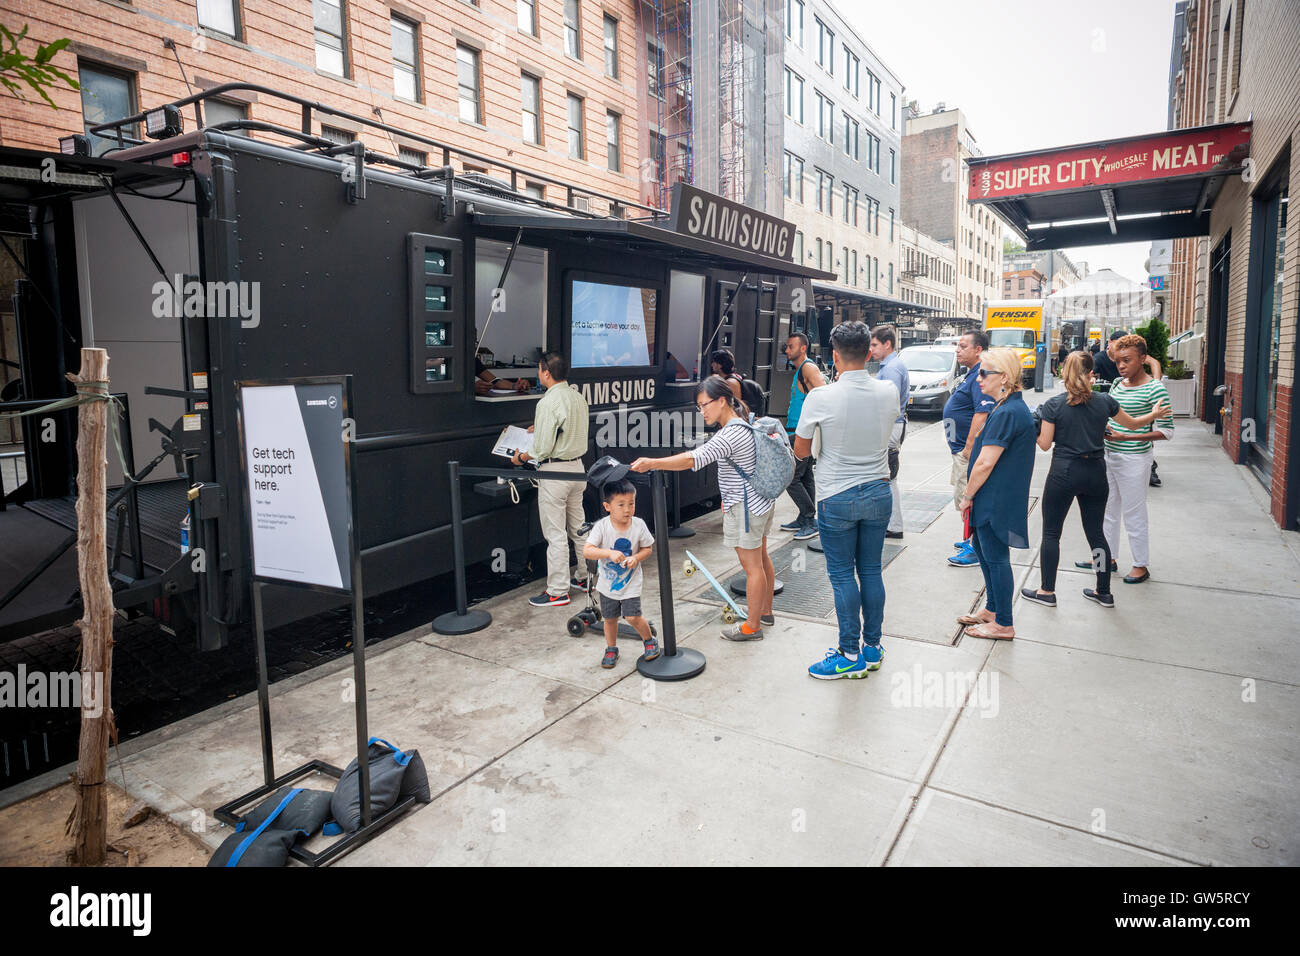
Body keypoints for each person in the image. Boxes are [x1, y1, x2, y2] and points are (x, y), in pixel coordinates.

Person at [630, 376, 775, 640]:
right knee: (762, 558)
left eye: (704, 404)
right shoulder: (745, 422)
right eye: (699, 407)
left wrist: (653, 462)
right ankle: (764, 612)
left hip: (746, 507)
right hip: (761, 501)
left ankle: (752, 627)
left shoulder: (730, 432)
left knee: (752, 566)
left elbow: (693, 459)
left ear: (722, 400)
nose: (702, 411)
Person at [1024, 351, 1170, 610]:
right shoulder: (1105, 401)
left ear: (1063, 373)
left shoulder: (1054, 405)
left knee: (1050, 533)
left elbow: (1045, 445)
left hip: (1064, 472)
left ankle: (1047, 590)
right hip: (1095, 472)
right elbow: (1134, 425)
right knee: (1096, 534)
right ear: (1092, 373)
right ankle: (1103, 592)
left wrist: (1031, 425)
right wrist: (1153, 414)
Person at [792, 321, 897, 679]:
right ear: (869, 353)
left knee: (841, 575)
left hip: (837, 495)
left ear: (835, 357)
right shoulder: (888, 391)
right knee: (871, 570)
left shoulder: (821, 396)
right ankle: (872, 647)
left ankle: (848, 652)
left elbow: (801, 450)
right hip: (880, 492)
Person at [1083, 333, 1174, 585]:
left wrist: (1128, 437)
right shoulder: (1116, 385)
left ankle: (1140, 565)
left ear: (1142, 359)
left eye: (1127, 360)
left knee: (1134, 514)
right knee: (1107, 511)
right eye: (1118, 361)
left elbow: (1167, 431)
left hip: (1135, 458)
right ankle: (1107, 559)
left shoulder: (1156, 389)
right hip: (1108, 455)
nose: (1121, 366)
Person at [957, 348, 1035, 640]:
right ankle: (992, 609)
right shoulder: (1006, 407)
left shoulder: (1009, 412)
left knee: (996, 557)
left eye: (984, 372)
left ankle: (1003, 623)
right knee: (984, 551)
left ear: (1003, 376)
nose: (978, 378)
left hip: (996, 498)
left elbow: (986, 462)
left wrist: (967, 495)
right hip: (995, 496)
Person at [511, 352, 591, 607]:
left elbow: (542, 449)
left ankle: (557, 591)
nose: (538, 374)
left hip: (554, 474)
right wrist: (541, 428)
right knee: (579, 529)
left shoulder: (547, 402)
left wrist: (521, 457)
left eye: (539, 370)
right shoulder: (578, 398)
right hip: (578, 469)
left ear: (546, 373)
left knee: (555, 535)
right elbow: (565, 430)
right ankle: (585, 577)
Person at [582, 474, 661, 669]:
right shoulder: (602, 527)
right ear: (607, 506)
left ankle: (649, 640)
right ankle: (611, 648)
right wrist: (608, 553)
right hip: (607, 584)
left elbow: (648, 548)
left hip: (631, 582)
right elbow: (587, 550)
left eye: (631, 504)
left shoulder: (639, 525)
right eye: (621, 505)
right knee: (609, 619)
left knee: (633, 616)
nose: (627, 510)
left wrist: (636, 558)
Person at [942, 330, 996, 568]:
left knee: (969, 499)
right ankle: (971, 540)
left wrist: (969, 447)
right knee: (963, 496)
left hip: (968, 451)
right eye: (958, 346)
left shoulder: (980, 375)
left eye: (963, 346)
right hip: (961, 449)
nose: (958, 350)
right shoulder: (971, 373)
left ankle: (976, 548)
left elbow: (981, 412)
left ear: (978, 350)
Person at [779, 331, 826, 541]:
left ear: (803, 348)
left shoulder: (808, 367)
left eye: (791, 346)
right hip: (796, 431)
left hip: (801, 433)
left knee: (790, 478)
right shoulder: (801, 370)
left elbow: (826, 396)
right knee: (805, 476)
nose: (787, 350)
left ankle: (809, 519)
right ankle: (805, 517)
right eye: (787, 347)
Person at [870, 326, 909, 540]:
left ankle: (893, 525)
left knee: (888, 477)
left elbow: (888, 403)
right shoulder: (892, 365)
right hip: (893, 426)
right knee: (888, 476)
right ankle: (892, 524)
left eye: (875, 344)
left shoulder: (892, 368)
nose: (871, 349)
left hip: (890, 427)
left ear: (887, 344)